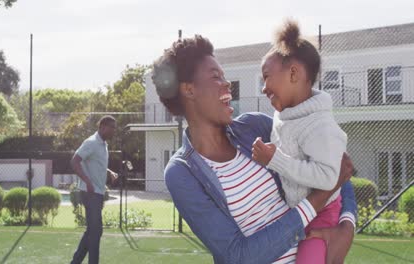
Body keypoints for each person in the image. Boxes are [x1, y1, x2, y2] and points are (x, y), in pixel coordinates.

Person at [152, 35, 357, 264]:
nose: (227, 83)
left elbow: (335, 166)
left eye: (225, 75)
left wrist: (347, 225)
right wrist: (319, 198)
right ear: (189, 90)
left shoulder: (255, 127)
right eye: (215, 77)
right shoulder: (182, 172)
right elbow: (238, 256)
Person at [251, 20, 347, 263]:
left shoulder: (319, 125)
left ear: (293, 73)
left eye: (266, 78)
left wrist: (276, 160)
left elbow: (328, 178)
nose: (263, 88)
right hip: (296, 213)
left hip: (321, 215)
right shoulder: (284, 116)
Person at [70, 115, 118, 264]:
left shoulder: (103, 144)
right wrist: (87, 181)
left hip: (97, 193)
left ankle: (75, 262)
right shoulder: (91, 142)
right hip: (90, 193)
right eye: (112, 128)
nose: (114, 131)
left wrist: (108, 172)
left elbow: (96, 162)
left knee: (93, 231)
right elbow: (75, 161)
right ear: (103, 127)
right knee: (95, 232)